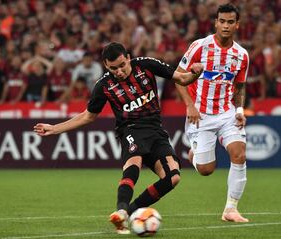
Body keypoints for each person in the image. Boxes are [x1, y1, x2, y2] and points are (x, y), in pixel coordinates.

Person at [33, 42, 203, 234]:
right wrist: (54, 129)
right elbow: (88, 116)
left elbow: (182, 78)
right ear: (106, 66)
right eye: (113, 68)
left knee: (173, 178)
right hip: (130, 130)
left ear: (128, 57)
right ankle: (121, 210)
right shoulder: (104, 85)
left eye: (122, 65)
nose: (119, 71)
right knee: (134, 163)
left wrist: (196, 72)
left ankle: (127, 213)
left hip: (156, 131)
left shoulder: (146, 65)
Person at [175, 3, 249, 223]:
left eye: (230, 22)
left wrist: (240, 109)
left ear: (237, 24)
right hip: (201, 114)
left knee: (239, 154)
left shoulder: (242, 55)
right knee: (206, 170)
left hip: (227, 113)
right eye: (222, 21)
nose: (226, 26)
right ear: (216, 22)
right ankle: (195, 156)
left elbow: (240, 85)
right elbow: (178, 76)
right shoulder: (199, 46)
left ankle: (231, 209)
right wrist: (190, 105)